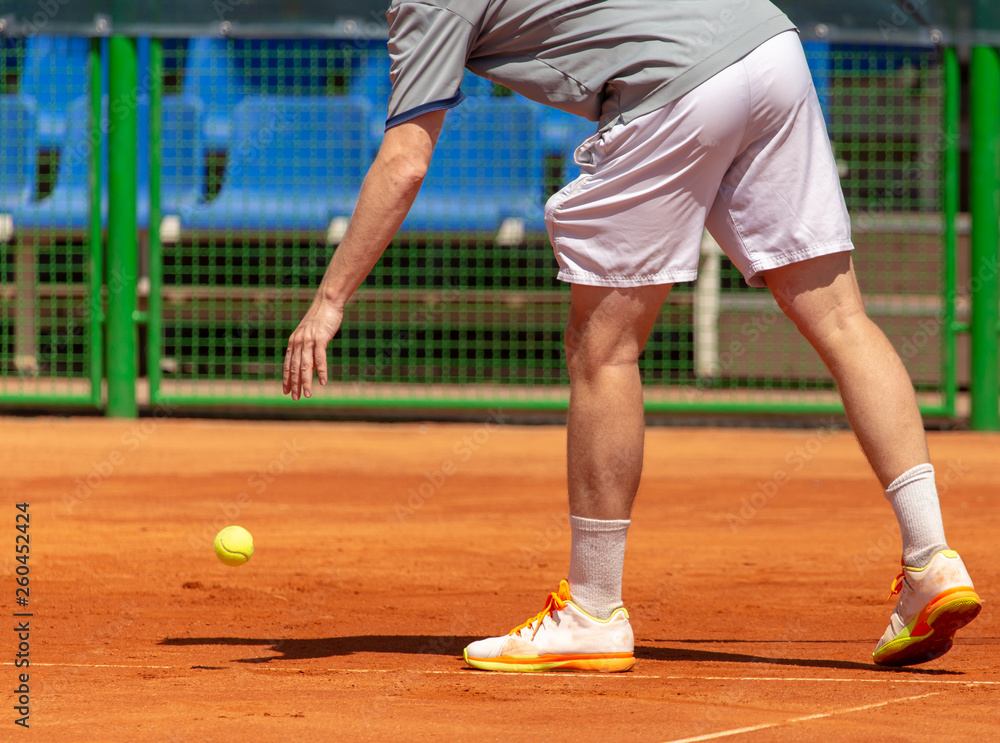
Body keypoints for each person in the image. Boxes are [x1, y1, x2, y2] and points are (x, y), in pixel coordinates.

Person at [283, 0, 981, 671]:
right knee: (841, 318)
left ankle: (591, 610)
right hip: (769, 46)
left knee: (604, 348)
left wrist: (328, 300)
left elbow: (406, 161)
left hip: (674, 87)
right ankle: (932, 559)